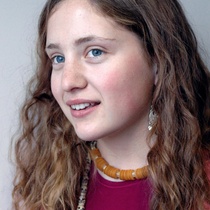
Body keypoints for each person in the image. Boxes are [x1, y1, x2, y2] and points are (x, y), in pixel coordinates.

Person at [12, 0, 210, 209]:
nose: (67, 82)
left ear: (158, 61)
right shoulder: (47, 182)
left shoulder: (203, 186)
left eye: (95, 52)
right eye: (58, 58)